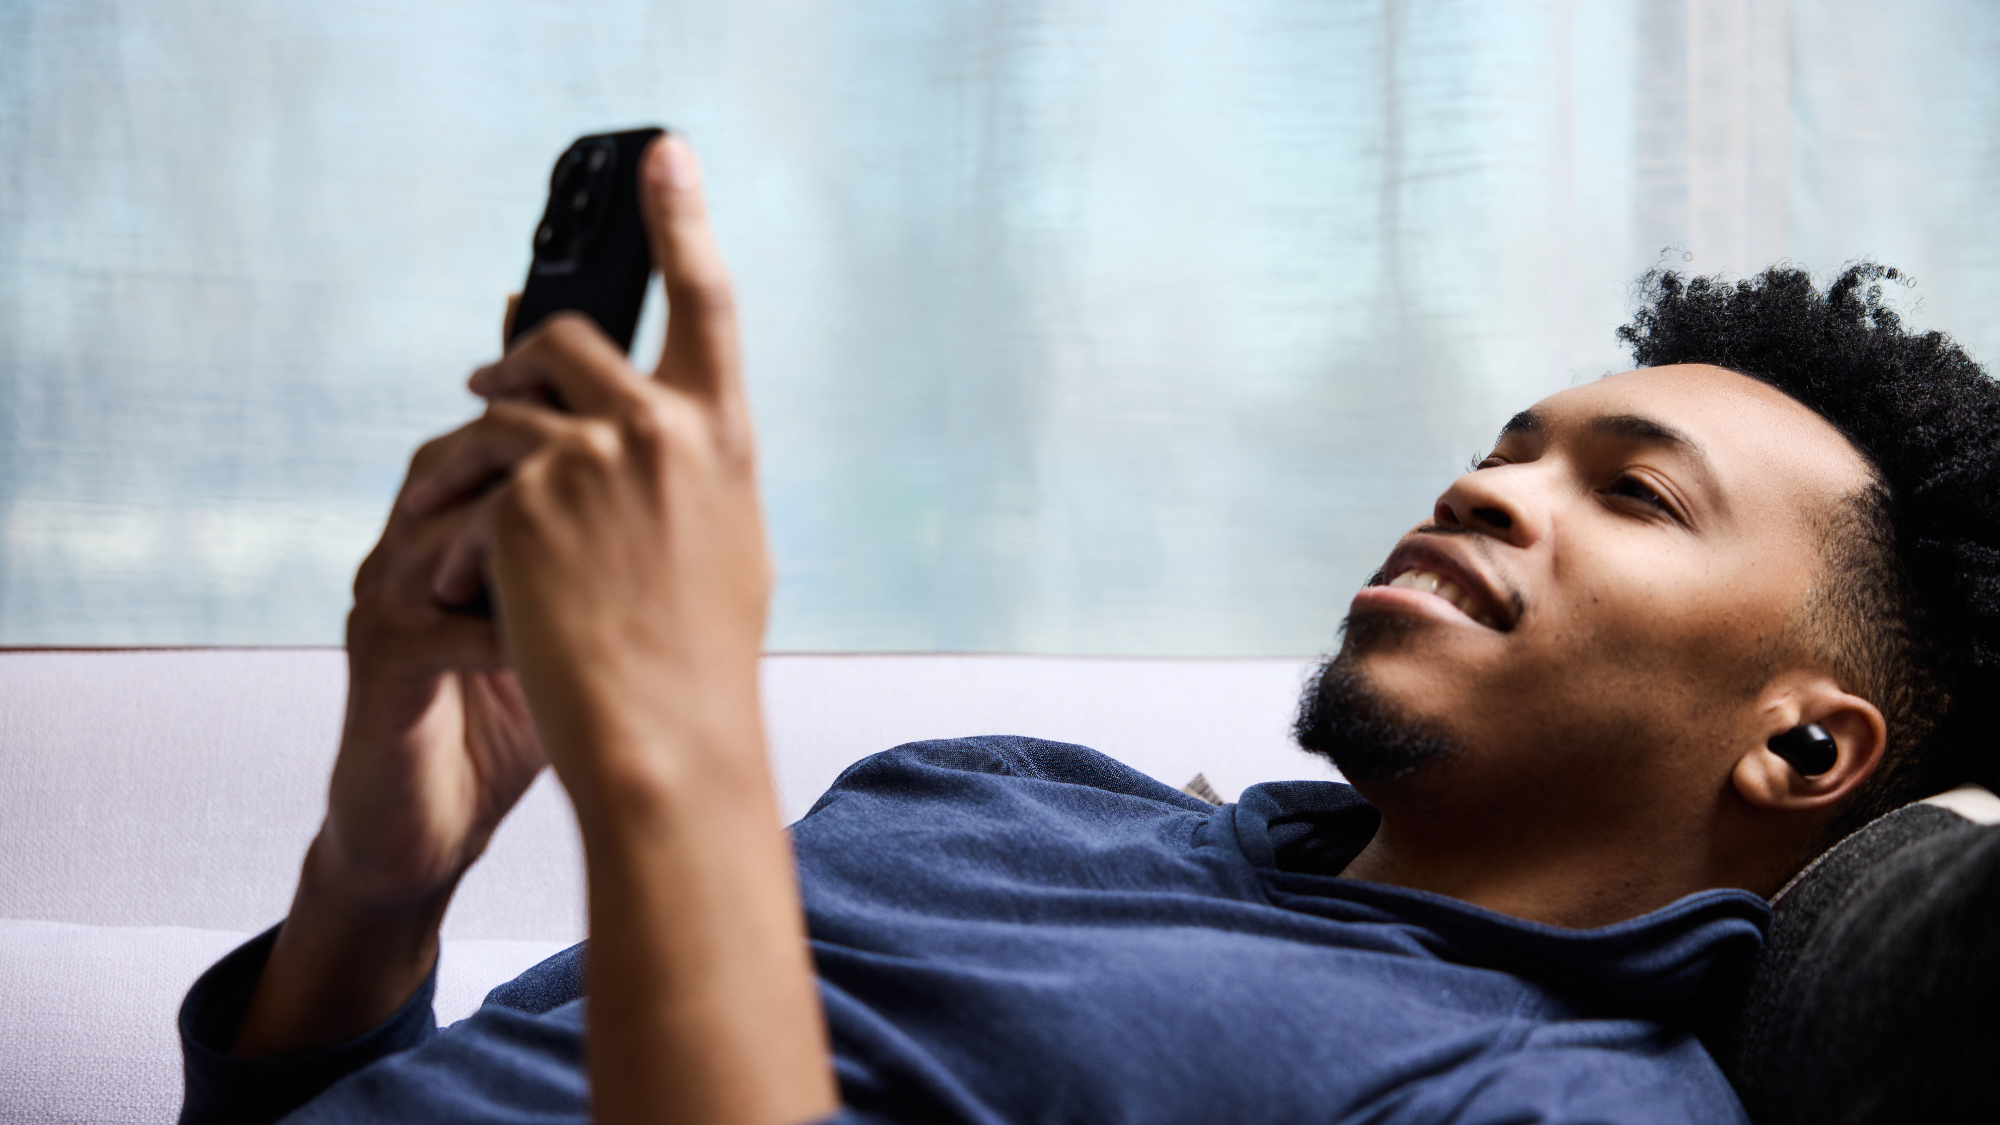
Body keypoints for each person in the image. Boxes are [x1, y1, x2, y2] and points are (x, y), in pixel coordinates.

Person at [176, 135, 2000, 1125]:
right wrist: (380, 880)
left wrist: (676, 765)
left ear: (1804, 746)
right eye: (1503, 445)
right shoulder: (983, 793)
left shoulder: (1553, 1096)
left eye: (1636, 493)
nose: (1487, 487)